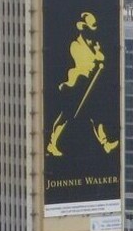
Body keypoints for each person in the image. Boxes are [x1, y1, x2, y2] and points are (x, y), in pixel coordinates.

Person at [47, 11, 120, 157]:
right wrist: (96, 57)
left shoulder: (94, 44)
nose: (92, 32)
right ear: (83, 28)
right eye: (89, 29)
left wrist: (98, 53)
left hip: (88, 85)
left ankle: (105, 143)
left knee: (96, 116)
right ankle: (52, 143)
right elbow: (85, 65)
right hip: (74, 85)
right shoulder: (76, 45)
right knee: (65, 116)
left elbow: (102, 58)